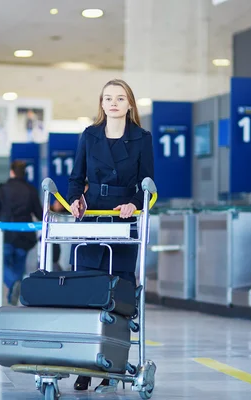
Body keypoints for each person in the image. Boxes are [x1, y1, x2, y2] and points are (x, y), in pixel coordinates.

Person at [66, 79, 154, 392]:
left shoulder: (142, 138)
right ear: (101, 104)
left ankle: (113, 364)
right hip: (92, 215)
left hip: (124, 214)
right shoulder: (89, 135)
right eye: (108, 98)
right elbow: (76, 178)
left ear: (130, 104)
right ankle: (84, 366)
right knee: (87, 288)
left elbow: (148, 182)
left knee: (118, 292)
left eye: (120, 98)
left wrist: (134, 203)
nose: (113, 103)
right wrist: (75, 198)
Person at [0, 161, 43, 305]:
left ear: (12, 172)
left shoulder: (3, 189)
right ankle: (13, 296)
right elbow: (39, 213)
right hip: (25, 236)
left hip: (6, 234)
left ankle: (14, 283)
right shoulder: (31, 190)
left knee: (1, 264)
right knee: (18, 265)